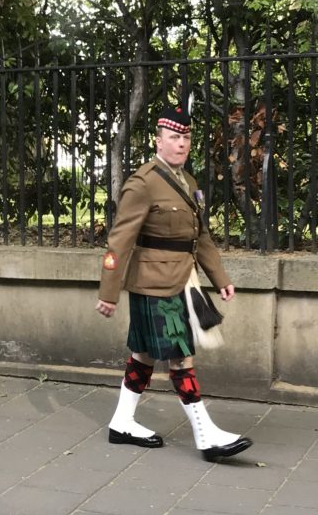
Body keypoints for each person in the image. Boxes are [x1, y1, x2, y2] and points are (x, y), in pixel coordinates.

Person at [96, 104, 253, 461]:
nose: (181, 143)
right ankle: (206, 435)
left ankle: (122, 423)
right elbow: (119, 240)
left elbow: (201, 238)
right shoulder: (143, 182)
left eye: (186, 137)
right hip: (155, 284)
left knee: (144, 354)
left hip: (183, 280)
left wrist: (220, 278)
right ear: (159, 140)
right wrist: (109, 292)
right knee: (180, 358)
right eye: (174, 136)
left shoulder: (190, 183)